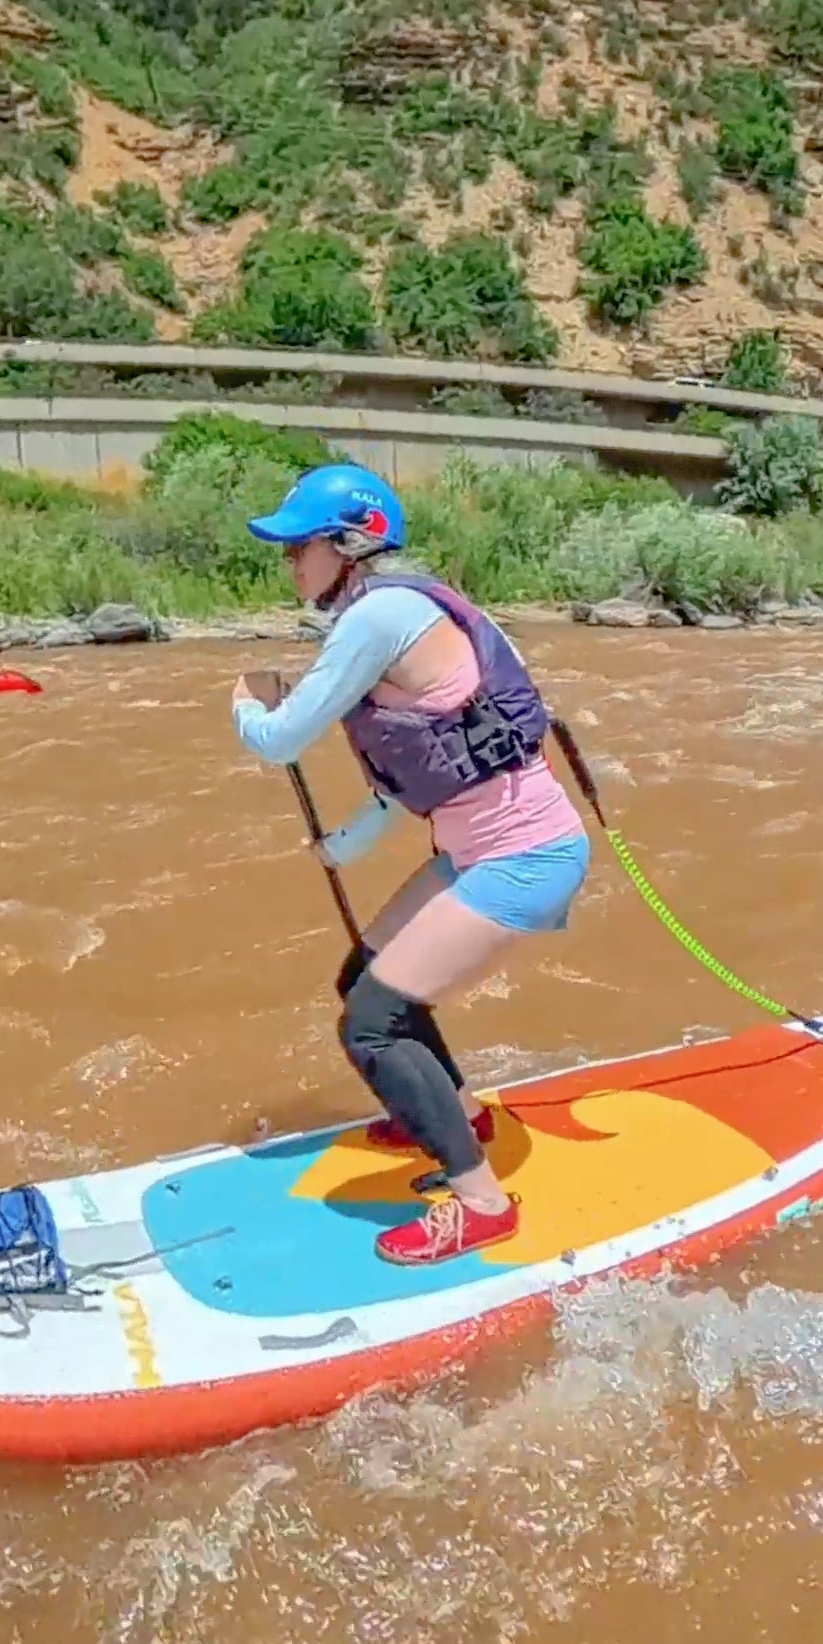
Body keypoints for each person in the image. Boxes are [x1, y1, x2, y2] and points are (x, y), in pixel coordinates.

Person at [231, 463, 594, 1264]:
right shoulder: (390, 614)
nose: (289, 564)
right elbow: (415, 780)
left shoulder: (379, 618)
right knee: (362, 976)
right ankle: (461, 1116)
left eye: (299, 547)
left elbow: (280, 739)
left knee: (373, 1021)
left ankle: (481, 1205)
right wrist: (346, 845)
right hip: (480, 849)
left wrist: (247, 703)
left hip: (524, 856)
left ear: (351, 545)